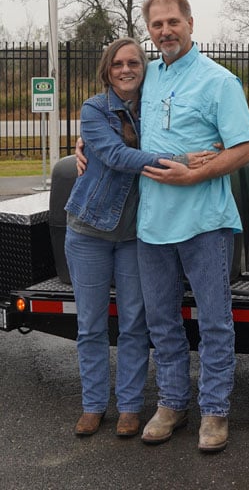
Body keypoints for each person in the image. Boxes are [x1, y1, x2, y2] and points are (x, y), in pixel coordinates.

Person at [65, 38, 215, 438]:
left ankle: (130, 407)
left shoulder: (152, 105)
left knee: (134, 323)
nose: (126, 69)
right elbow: (116, 156)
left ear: (143, 68)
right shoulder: (95, 108)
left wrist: (212, 146)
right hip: (89, 230)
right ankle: (94, 405)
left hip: (136, 234)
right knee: (92, 325)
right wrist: (179, 161)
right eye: (118, 64)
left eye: (134, 62)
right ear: (107, 69)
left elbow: (182, 129)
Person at [136, 0, 249, 453]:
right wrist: (87, 144)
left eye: (173, 22)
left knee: (213, 322)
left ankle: (214, 412)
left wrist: (197, 174)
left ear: (191, 23)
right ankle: (172, 403)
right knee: (162, 321)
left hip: (205, 222)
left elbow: (245, 147)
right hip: (152, 224)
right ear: (149, 31)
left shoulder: (218, 81)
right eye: (156, 24)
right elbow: (113, 118)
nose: (165, 31)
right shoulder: (145, 76)